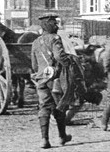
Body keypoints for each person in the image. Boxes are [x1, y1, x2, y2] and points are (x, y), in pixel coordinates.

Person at [30, 14, 73, 148]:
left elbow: (34, 65)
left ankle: (44, 140)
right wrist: (68, 63)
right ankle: (61, 137)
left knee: (44, 107)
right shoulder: (55, 38)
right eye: (54, 23)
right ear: (48, 25)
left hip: (42, 79)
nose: (57, 26)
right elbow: (59, 56)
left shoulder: (36, 42)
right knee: (60, 107)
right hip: (56, 79)